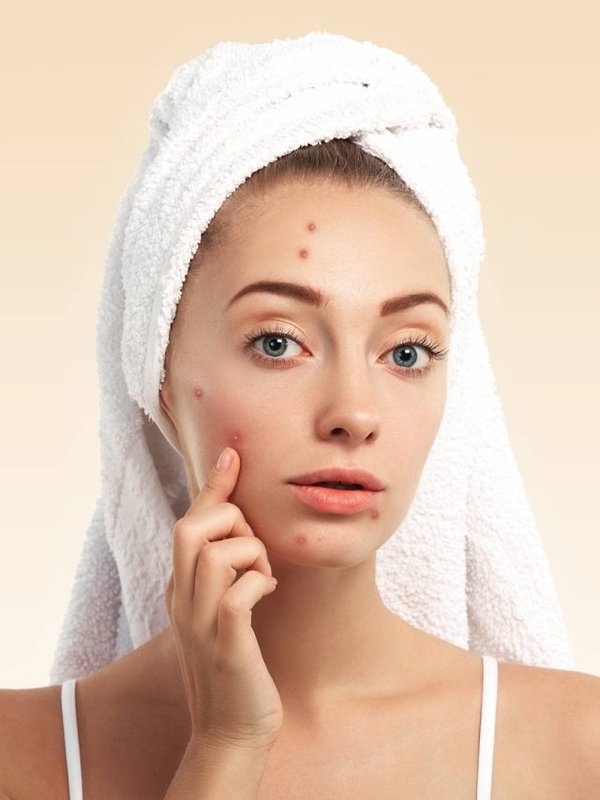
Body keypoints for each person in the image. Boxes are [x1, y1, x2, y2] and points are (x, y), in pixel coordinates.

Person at [1, 136, 599, 800]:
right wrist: (226, 745)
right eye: (278, 342)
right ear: (161, 379)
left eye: (406, 353)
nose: (354, 413)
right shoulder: (17, 754)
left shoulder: (579, 747)